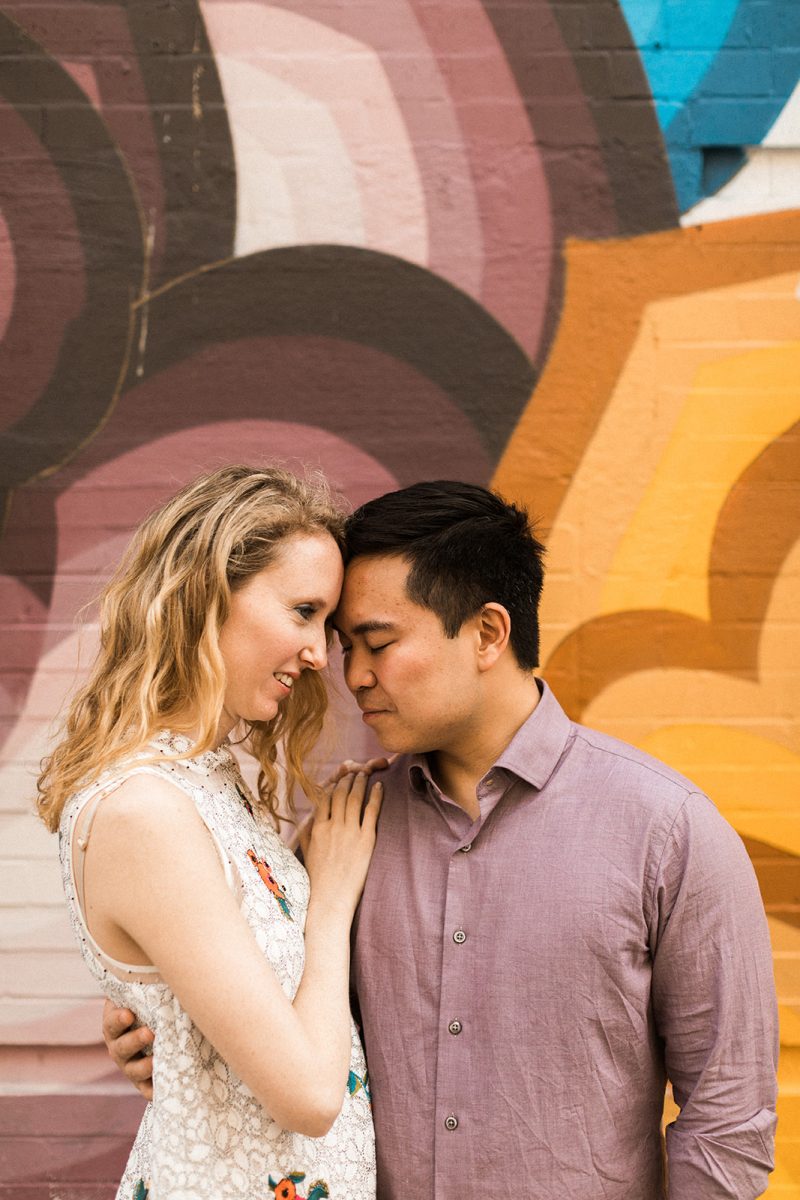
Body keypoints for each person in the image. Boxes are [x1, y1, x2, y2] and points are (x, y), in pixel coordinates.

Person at [106, 480, 779, 1200]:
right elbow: (272, 1028)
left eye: (380, 644)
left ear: (488, 633)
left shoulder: (666, 830)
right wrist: (159, 1032)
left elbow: (729, 1118)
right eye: (345, 648)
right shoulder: (342, 833)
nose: (354, 676)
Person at [38, 465, 382, 1200]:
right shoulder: (145, 808)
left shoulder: (210, 781)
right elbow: (308, 1097)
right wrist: (334, 898)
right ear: (208, 593)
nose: (321, 655)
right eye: (303, 612)